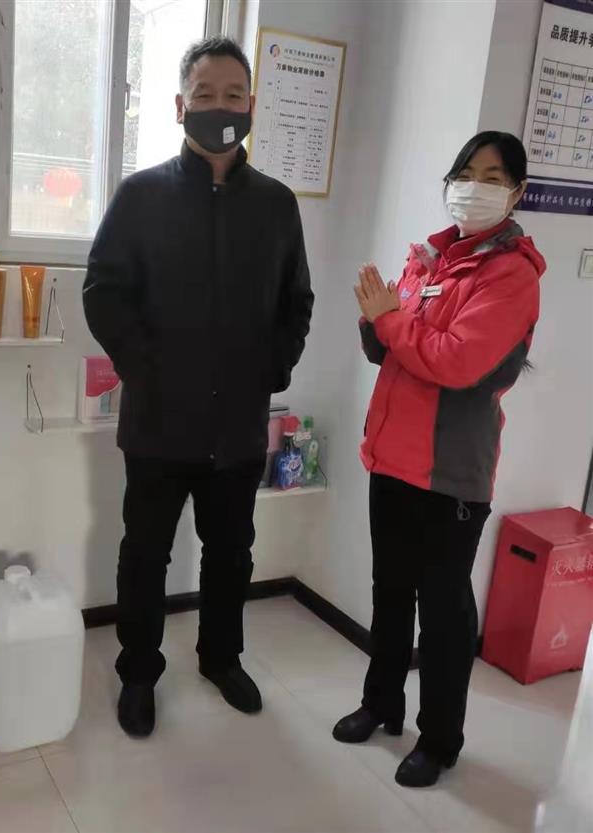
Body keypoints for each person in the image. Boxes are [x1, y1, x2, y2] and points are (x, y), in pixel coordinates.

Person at [83, 37, 313, 739]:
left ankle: (221, 658)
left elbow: (296, 302)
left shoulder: (275, 205)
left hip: (237, 426)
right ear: (180, 106)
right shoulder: (141, 195)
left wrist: (272, 370)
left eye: (233, 95)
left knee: (231, 553)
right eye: (205, 95)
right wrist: (146, 369)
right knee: (144, 555)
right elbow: (103, 291)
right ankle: (138, 674)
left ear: (251, 105)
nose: (220, 107)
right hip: (158, 423)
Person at [333, 132, 546, 787]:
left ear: (515, 192)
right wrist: (373, 321)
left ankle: (440, 739)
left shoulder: (511, 275)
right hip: (391, 458)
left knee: (444, 611)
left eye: (493, 176)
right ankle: (381, 704)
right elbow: (389, 349)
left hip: (450, 472)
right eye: (465, 173)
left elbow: (456, 362)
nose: (474, 186)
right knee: (390, 592)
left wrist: (391, 322)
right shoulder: (428, 257)